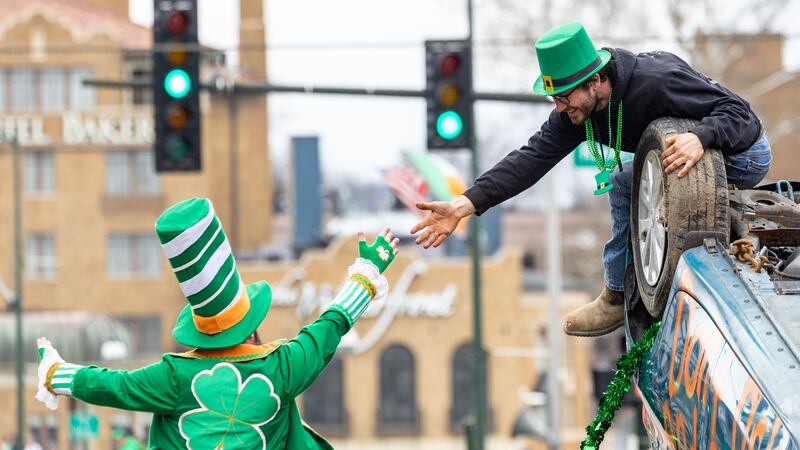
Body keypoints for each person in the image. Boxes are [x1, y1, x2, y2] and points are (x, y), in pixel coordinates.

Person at [410, 22, 771, 336]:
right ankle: (615, 294)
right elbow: (529, 160)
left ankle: (690, 275)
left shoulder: (656, 81)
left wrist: (702, 137)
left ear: (595, 80)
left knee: (665, 168)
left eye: (564, 98)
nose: (561, 108)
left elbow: (743, 117)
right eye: (554, 99)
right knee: (622, 183)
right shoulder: (576, 113)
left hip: (742, 153)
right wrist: (463, 205)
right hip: (686, 156)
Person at [34, 197, 399, 449]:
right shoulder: (282, 367)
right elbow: (332, 324)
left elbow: (112, 385)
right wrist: (367, 273)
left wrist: (55, 374)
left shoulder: (174, 378)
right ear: (252, 326)